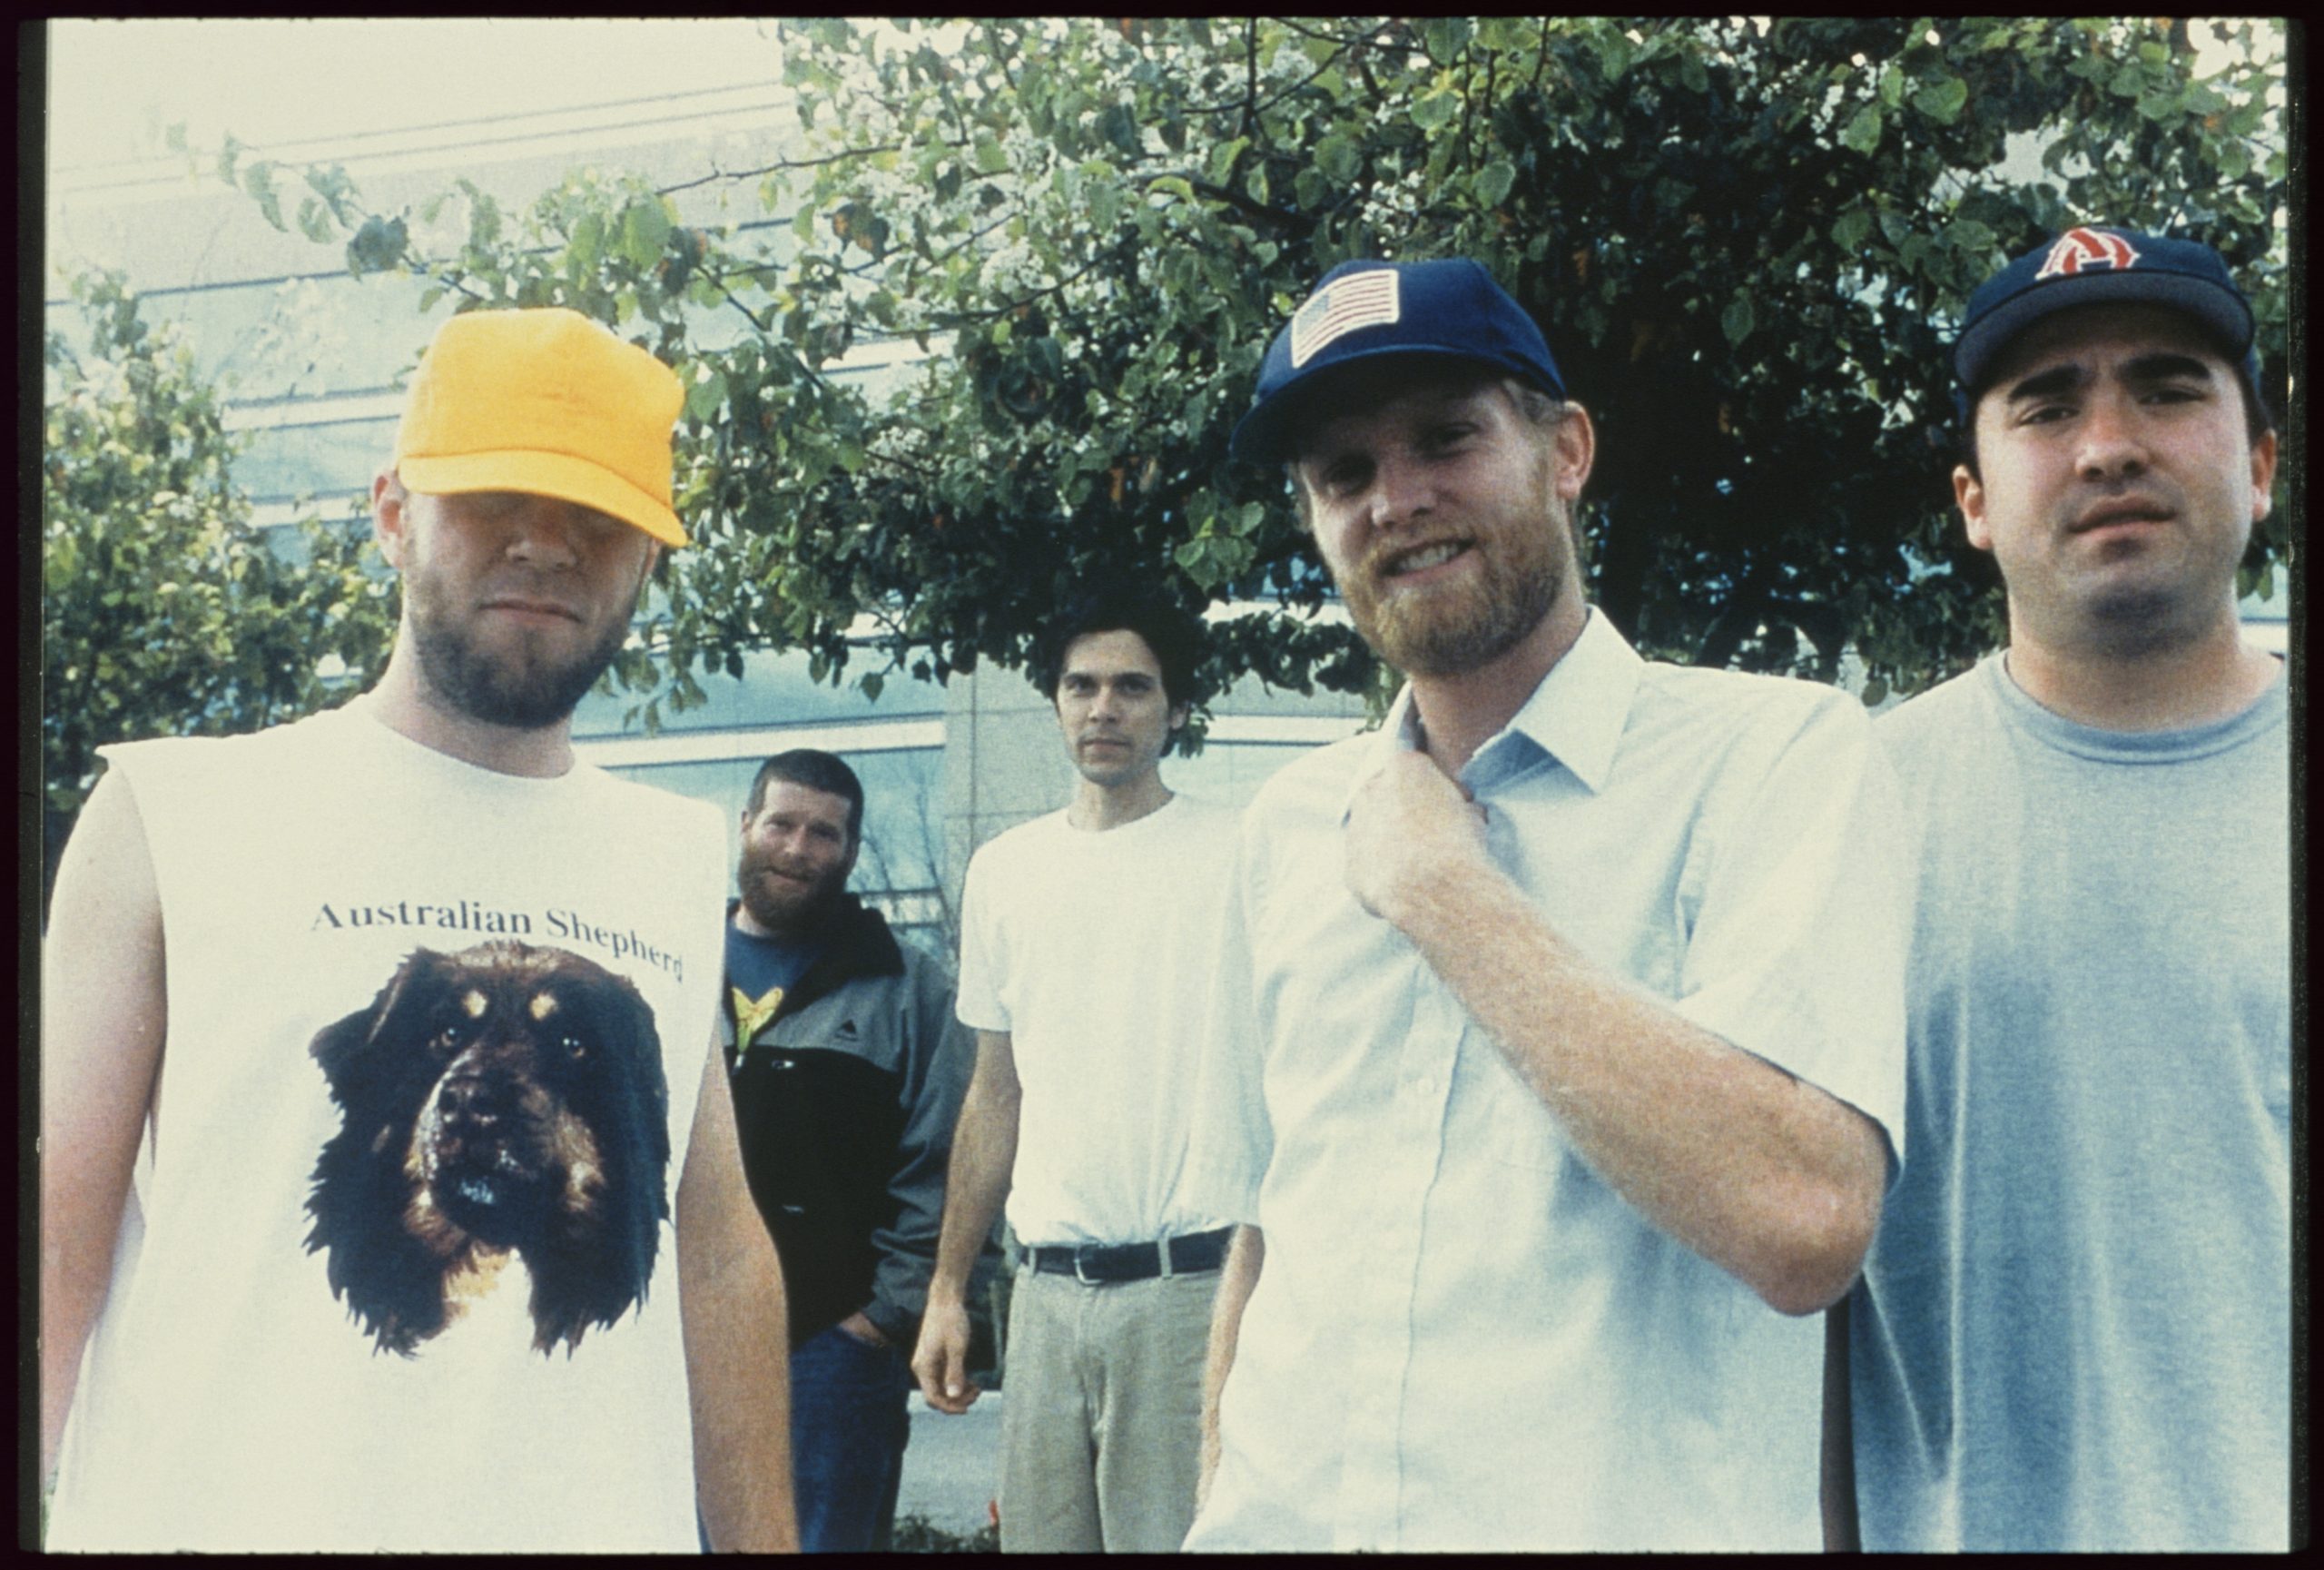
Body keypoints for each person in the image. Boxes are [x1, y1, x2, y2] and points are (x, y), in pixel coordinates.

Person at [1181, 258, 1911, 1553]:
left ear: (1566, 449)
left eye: (1447, 439)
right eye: (1342, 473)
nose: (1396, 500)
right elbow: (1267, 1232)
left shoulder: (1777, 757)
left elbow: (1806, 1221)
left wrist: (1448, 895)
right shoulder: (1288, 830)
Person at [40, 307, 796, 1552]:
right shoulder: (171, 814)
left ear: (648, 561)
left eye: (599, 516)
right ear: (393, 510)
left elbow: (716, 1256)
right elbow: (54, 1242)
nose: (548, 545)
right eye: (496, 496)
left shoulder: (670, 856)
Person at [1841, 228, 2289, 1551]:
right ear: (1973, 500)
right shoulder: (1842, 815)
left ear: (2262, 466)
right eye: (2047, 406)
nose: (2107, 445)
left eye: (2167, 387)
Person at [909, 593, 1240, 1553]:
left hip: (1188, 1292)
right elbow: (993, 1093)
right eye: (1081, 685)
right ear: (1054, 703)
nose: (1104, 707)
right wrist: (946, 1291)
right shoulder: (1005, 871)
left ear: (1175, 710)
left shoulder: (1237, 853)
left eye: (1133, 687)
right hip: (1044, 1296)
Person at [722, 747, 973, 1552]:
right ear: (746, 827)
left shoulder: (910, 986)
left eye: (823, 833)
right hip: (682, 1342)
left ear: (852, 850)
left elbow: (948, 1160)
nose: (798, 848)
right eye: (782, 824)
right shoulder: (670, 967)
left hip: (834, 1351)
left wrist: (881, 1319)